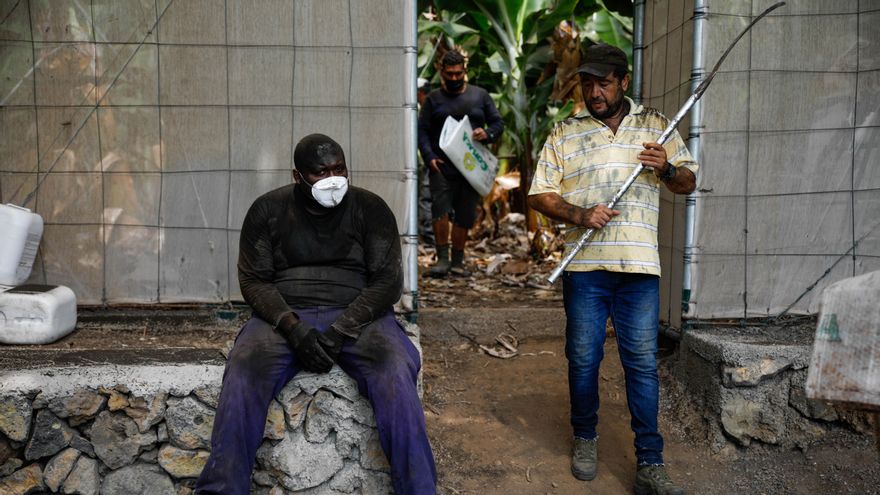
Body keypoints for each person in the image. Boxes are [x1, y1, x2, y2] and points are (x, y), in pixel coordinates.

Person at [195, 134, 437, 495]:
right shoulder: (267, 210)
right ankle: (221, 489)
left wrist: (341, 330)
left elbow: (387, 282)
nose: (333, 179)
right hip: (284, 316)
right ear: (297, 177)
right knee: (244, 368)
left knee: (395, 370)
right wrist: (294, 330)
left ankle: (419, 490)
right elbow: (254, 280)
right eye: (320, 172)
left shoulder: (371, 209)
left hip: (361, 317)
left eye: (339, 168)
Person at [528, 44, 697, 495]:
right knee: (583, 359)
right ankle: (585, 437)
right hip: (584, 268)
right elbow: (538, 194)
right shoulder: (565, 131)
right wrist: (581, 215)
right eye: (588, 82)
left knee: (640, 364)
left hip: (639, 268)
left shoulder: (658, 126)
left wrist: (666, 168)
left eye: (603, 82)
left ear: (624, 81)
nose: (594, 91)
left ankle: (651, 462)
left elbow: (688, 183)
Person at [418, 50, 504, 277]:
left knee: (465, 215)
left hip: (471, 167)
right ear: (441, 73)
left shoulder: (480, 96)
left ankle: (457, 261)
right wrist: (429, 157)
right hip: (442, 166)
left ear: (465, 72)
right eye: (449, 75)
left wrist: (486, 134)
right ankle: (442, 260)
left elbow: (497, 123)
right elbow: (422, 131)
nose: (454, 78)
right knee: (440, 212)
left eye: (458, 74)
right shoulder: (433, 99)